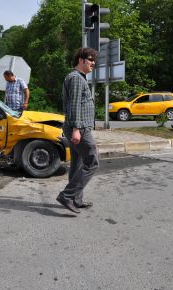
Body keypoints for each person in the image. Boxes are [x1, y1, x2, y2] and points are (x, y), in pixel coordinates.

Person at [56, 47, 99, 214]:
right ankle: (67, 196)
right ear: (81, 60)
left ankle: (76, 199)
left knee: (77, 164)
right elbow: (74, 105)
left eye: (93, 60)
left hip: (78, 127)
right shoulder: (75, 78)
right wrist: (76, 129)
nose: (93, 63)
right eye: (90, 60)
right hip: (79, 128)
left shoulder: (79, 78)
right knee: (92, 162)